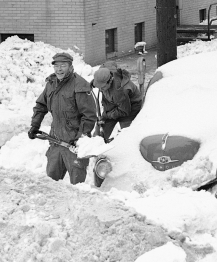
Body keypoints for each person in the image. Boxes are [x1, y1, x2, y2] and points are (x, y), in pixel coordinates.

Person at [29, 52, 98, 185]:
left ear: (70, 67)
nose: (59, 69)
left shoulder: (80, 85)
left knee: (77, 186)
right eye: (56, 66)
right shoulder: (51, 84)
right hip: (55, 141)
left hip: (73, 145)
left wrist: (81, 138)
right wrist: (34, 125)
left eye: (63, 65)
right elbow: (41, 105)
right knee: (51, 183)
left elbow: (89, 115)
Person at [91, 64, 143, 142]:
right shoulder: (106, 76)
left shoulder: (121, 90)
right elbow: (100, 79)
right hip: (113, 102)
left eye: (103, 87)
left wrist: (108, 115)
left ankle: (122, 144)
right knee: (102, 126)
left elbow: (124, 111)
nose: (101, 90)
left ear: (110, 81)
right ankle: (96, 142)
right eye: (99, 87)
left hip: (130, 108)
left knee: (127, 135)